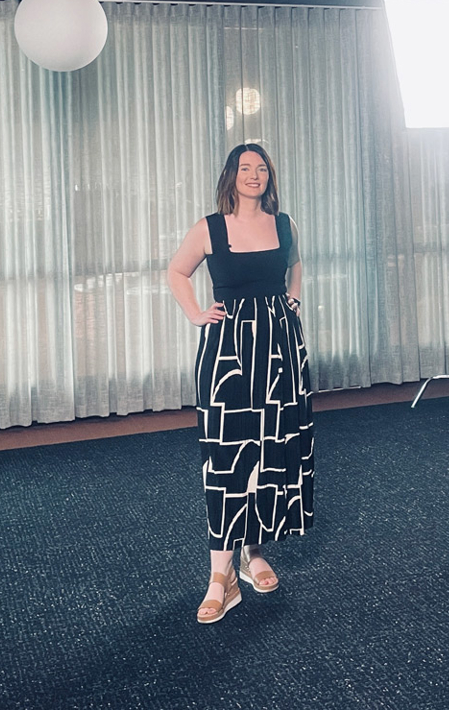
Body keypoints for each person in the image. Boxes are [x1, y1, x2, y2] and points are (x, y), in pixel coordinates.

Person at [166, 143, 314, 624]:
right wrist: (194, 313)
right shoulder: (210, 227)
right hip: (227, 351)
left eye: (262, 168)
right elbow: (176, 270)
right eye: (245, 168)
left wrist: (291, 302)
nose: (255, 175)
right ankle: (219, 577)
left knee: (271, 449)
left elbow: (294, 266)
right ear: (231, 177)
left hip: (279, 347)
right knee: (227, 454)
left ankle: (252, 554)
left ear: (270, 177)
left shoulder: (284, 224)